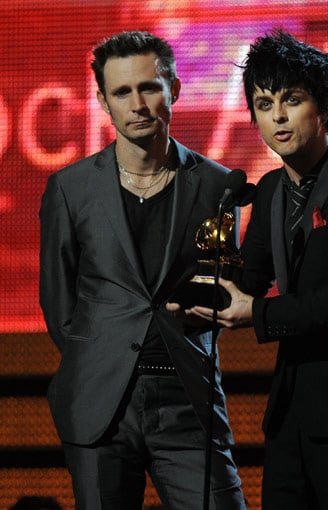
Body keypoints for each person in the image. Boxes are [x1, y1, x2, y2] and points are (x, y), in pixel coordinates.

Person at [181, 30, 328, 509]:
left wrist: (260, 315)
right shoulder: (270, 188)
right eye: (263, 102)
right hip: (291, 414)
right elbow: (245, 283)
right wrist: (181, 299)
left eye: (291, 100)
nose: (277, 116)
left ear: (324, 107)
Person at [39, 31, 246, 509]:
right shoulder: (70, 189)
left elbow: (223, 289)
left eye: (149, 87)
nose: (137, 103)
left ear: (173, 88)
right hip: (100, 403)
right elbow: (59, 302)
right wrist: (100, 357)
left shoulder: (217, 186)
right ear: (102, 101)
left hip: (187, 399)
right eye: (121, 91)